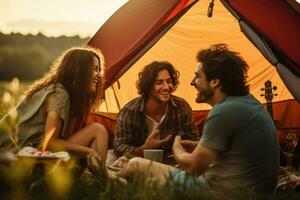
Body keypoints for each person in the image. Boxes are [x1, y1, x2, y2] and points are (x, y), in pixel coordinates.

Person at [124, 44, 280, 195]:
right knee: (153, 178)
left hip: (219, 193)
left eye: (197, 76)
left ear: (214, 82)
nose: (193, 82)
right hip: (254, 192)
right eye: (159, 82)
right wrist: (198, 146)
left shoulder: (223, 111)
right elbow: (238, 149)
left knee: (134, 165)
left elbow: (193, 167)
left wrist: (176, 147)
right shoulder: (248, 103)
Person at [0, 47, 109, 166]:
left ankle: (95, 174)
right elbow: (50, 143)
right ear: (78, 70)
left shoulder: (69, 94)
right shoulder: (59, 94)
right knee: (98, 130)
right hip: (11, 153)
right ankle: (99, 175)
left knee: (97, 129)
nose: (99, 75)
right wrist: (91, 152)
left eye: (99, 70)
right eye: (94, 69)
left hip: (30, 150)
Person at [113, 61, 197, 159]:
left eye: (169, 81)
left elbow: (193, 139)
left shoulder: (181, 107)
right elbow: (119, 148)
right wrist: (144, 149)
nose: (166, 87)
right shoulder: (130, 111)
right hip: (139, 163)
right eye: (159, 83)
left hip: (173, 162)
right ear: (148, 86)